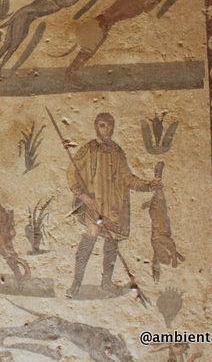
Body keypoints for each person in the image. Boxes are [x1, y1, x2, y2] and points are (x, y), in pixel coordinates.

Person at [65, 113, 161, 297]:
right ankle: (76, 283)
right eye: (102, 125)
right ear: (96, 127)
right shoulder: (88, 149)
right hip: (94, 203)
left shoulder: (118, 151)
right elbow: (71, 173)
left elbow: (128, 178)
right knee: (91, 235)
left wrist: (148, 185)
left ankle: (107, 282)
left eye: (109, 125)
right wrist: (83, 196)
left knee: (112, 241)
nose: (106, 129)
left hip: (115, 205)